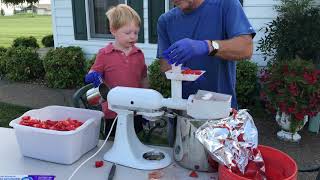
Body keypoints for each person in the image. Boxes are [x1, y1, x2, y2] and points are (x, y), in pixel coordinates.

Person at [157, 0, 256, 109]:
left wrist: (208, 46)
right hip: (183, 109)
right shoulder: (166, 20)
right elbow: (165, 64)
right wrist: (181, 73)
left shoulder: (226, 5)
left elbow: (246, 48)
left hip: (221, 109)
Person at [85, 4, 148, 137]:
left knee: (135, 139)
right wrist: (93, 76)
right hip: (113, 111)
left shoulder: (139, 54)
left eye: (136, 32)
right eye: (127, 33)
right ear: (113, 30)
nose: (133, 37)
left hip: (135, 108)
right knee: (113, 142)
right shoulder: (104, 54)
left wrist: (146, 100)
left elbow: (143, 79)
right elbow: (91, 74)